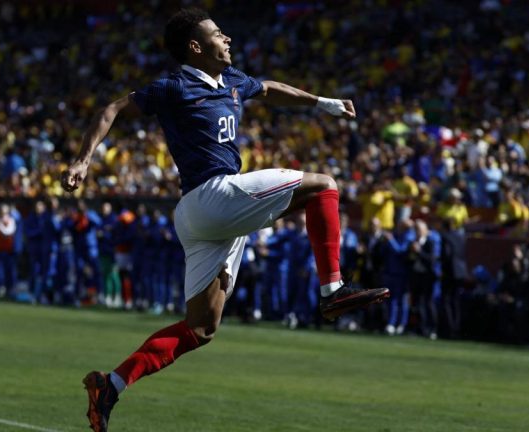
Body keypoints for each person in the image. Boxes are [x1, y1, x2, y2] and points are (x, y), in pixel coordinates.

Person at [60, 9, 389, 431]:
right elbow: (111, 110)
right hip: (211, 196)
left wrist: (322, 103)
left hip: (204, 218)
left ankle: (111, 386)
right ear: (195, 47)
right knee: (324, 185)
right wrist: (83, 159)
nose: (228, 38)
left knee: (199, 329)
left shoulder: (232, 81)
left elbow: (269, 89)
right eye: (218, 34)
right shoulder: (173, 86)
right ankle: (332, 290)